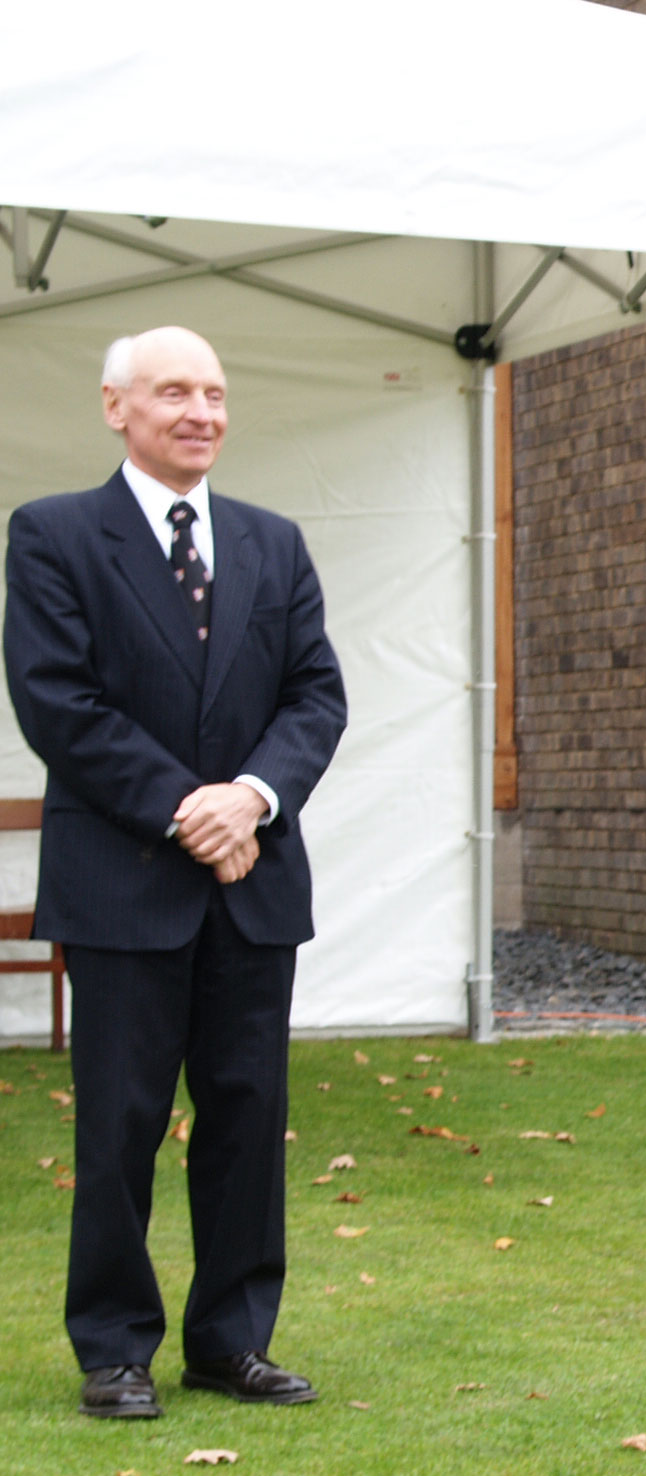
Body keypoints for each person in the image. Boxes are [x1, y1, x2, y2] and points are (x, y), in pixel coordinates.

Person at [2, 327, 347, 1418]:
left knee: (247, 1120)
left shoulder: (273, 542)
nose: (199, 411)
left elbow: (315, 698)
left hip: (255, 879)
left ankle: (230, 1342)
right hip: (124, 882)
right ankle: (113, 1347)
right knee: (120, 1122)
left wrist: (250, 797)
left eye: (214, 392)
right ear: (115, 406)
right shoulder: (54, 535)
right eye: (172, 392)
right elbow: (60, 702)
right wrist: (186, 811)